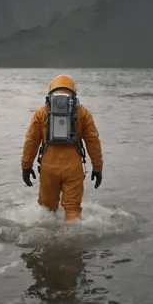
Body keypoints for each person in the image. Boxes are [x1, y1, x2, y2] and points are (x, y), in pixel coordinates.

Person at [20, 74, 104, 222]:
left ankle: (46, 242)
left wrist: (26, 166)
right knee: (72, 208)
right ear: (73, 91)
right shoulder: (83, 113)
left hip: (48, 167)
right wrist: (97, 168)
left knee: (46, 210)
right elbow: (93, 142)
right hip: (73, 168)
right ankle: (73, 240)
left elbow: (31, 141)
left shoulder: (41, 113)